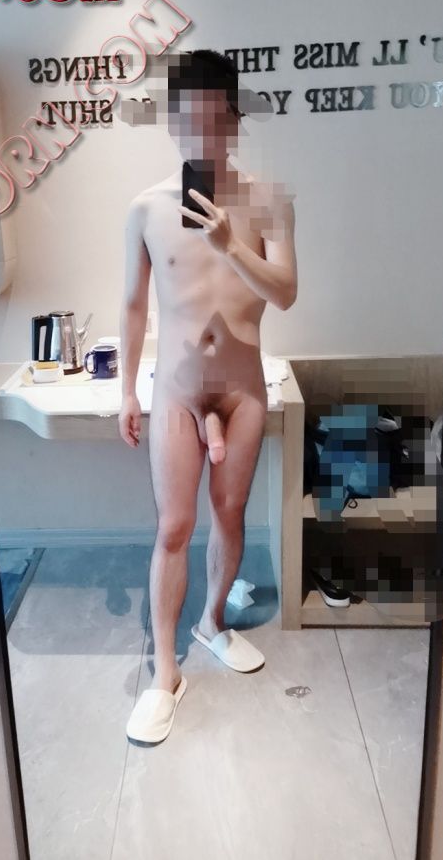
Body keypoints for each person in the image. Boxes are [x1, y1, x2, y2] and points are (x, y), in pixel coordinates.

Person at [119, 49, 298, 743]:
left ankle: (212, 622)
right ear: (172, 121)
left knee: (230, 516)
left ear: (234, 118)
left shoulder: (268, 200)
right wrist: (126, 391)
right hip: (176, 390)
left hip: (243, 389)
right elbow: (133, 305)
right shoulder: (146, 208)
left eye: (216, 118)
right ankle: (165, 673)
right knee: (174, 525)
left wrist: (231, 243)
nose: (202, 133)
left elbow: (285, 292)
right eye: (188, 119)